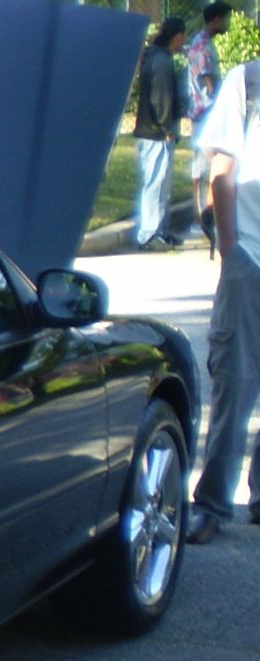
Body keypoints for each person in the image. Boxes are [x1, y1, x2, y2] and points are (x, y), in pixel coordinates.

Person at [187, 58, 260, 544]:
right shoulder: (248, 81)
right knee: (235, 384)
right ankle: (212, 504)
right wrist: (233, 251)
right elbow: (222, 172)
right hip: (251, 257)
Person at [135, 18, 187, 251]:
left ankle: (160, 231)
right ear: (176, 36)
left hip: (152, 131)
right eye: (183, 36)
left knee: (160, 185)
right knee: (156, 185)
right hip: (156, 133)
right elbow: (162, 97)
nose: (183, 41)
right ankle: (149, 233)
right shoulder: (162, 61)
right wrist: (167, 128)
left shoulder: (155, 57)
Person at [186, 4, 233, 255]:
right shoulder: (203, 46)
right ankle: (202, 220)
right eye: (225, 19)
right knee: (204, 169)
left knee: (203, 168)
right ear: (215, 20)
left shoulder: (199, 42)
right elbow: (209, 83)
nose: (227, 24)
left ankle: (203, 219)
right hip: (206, 114)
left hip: (203, 114)